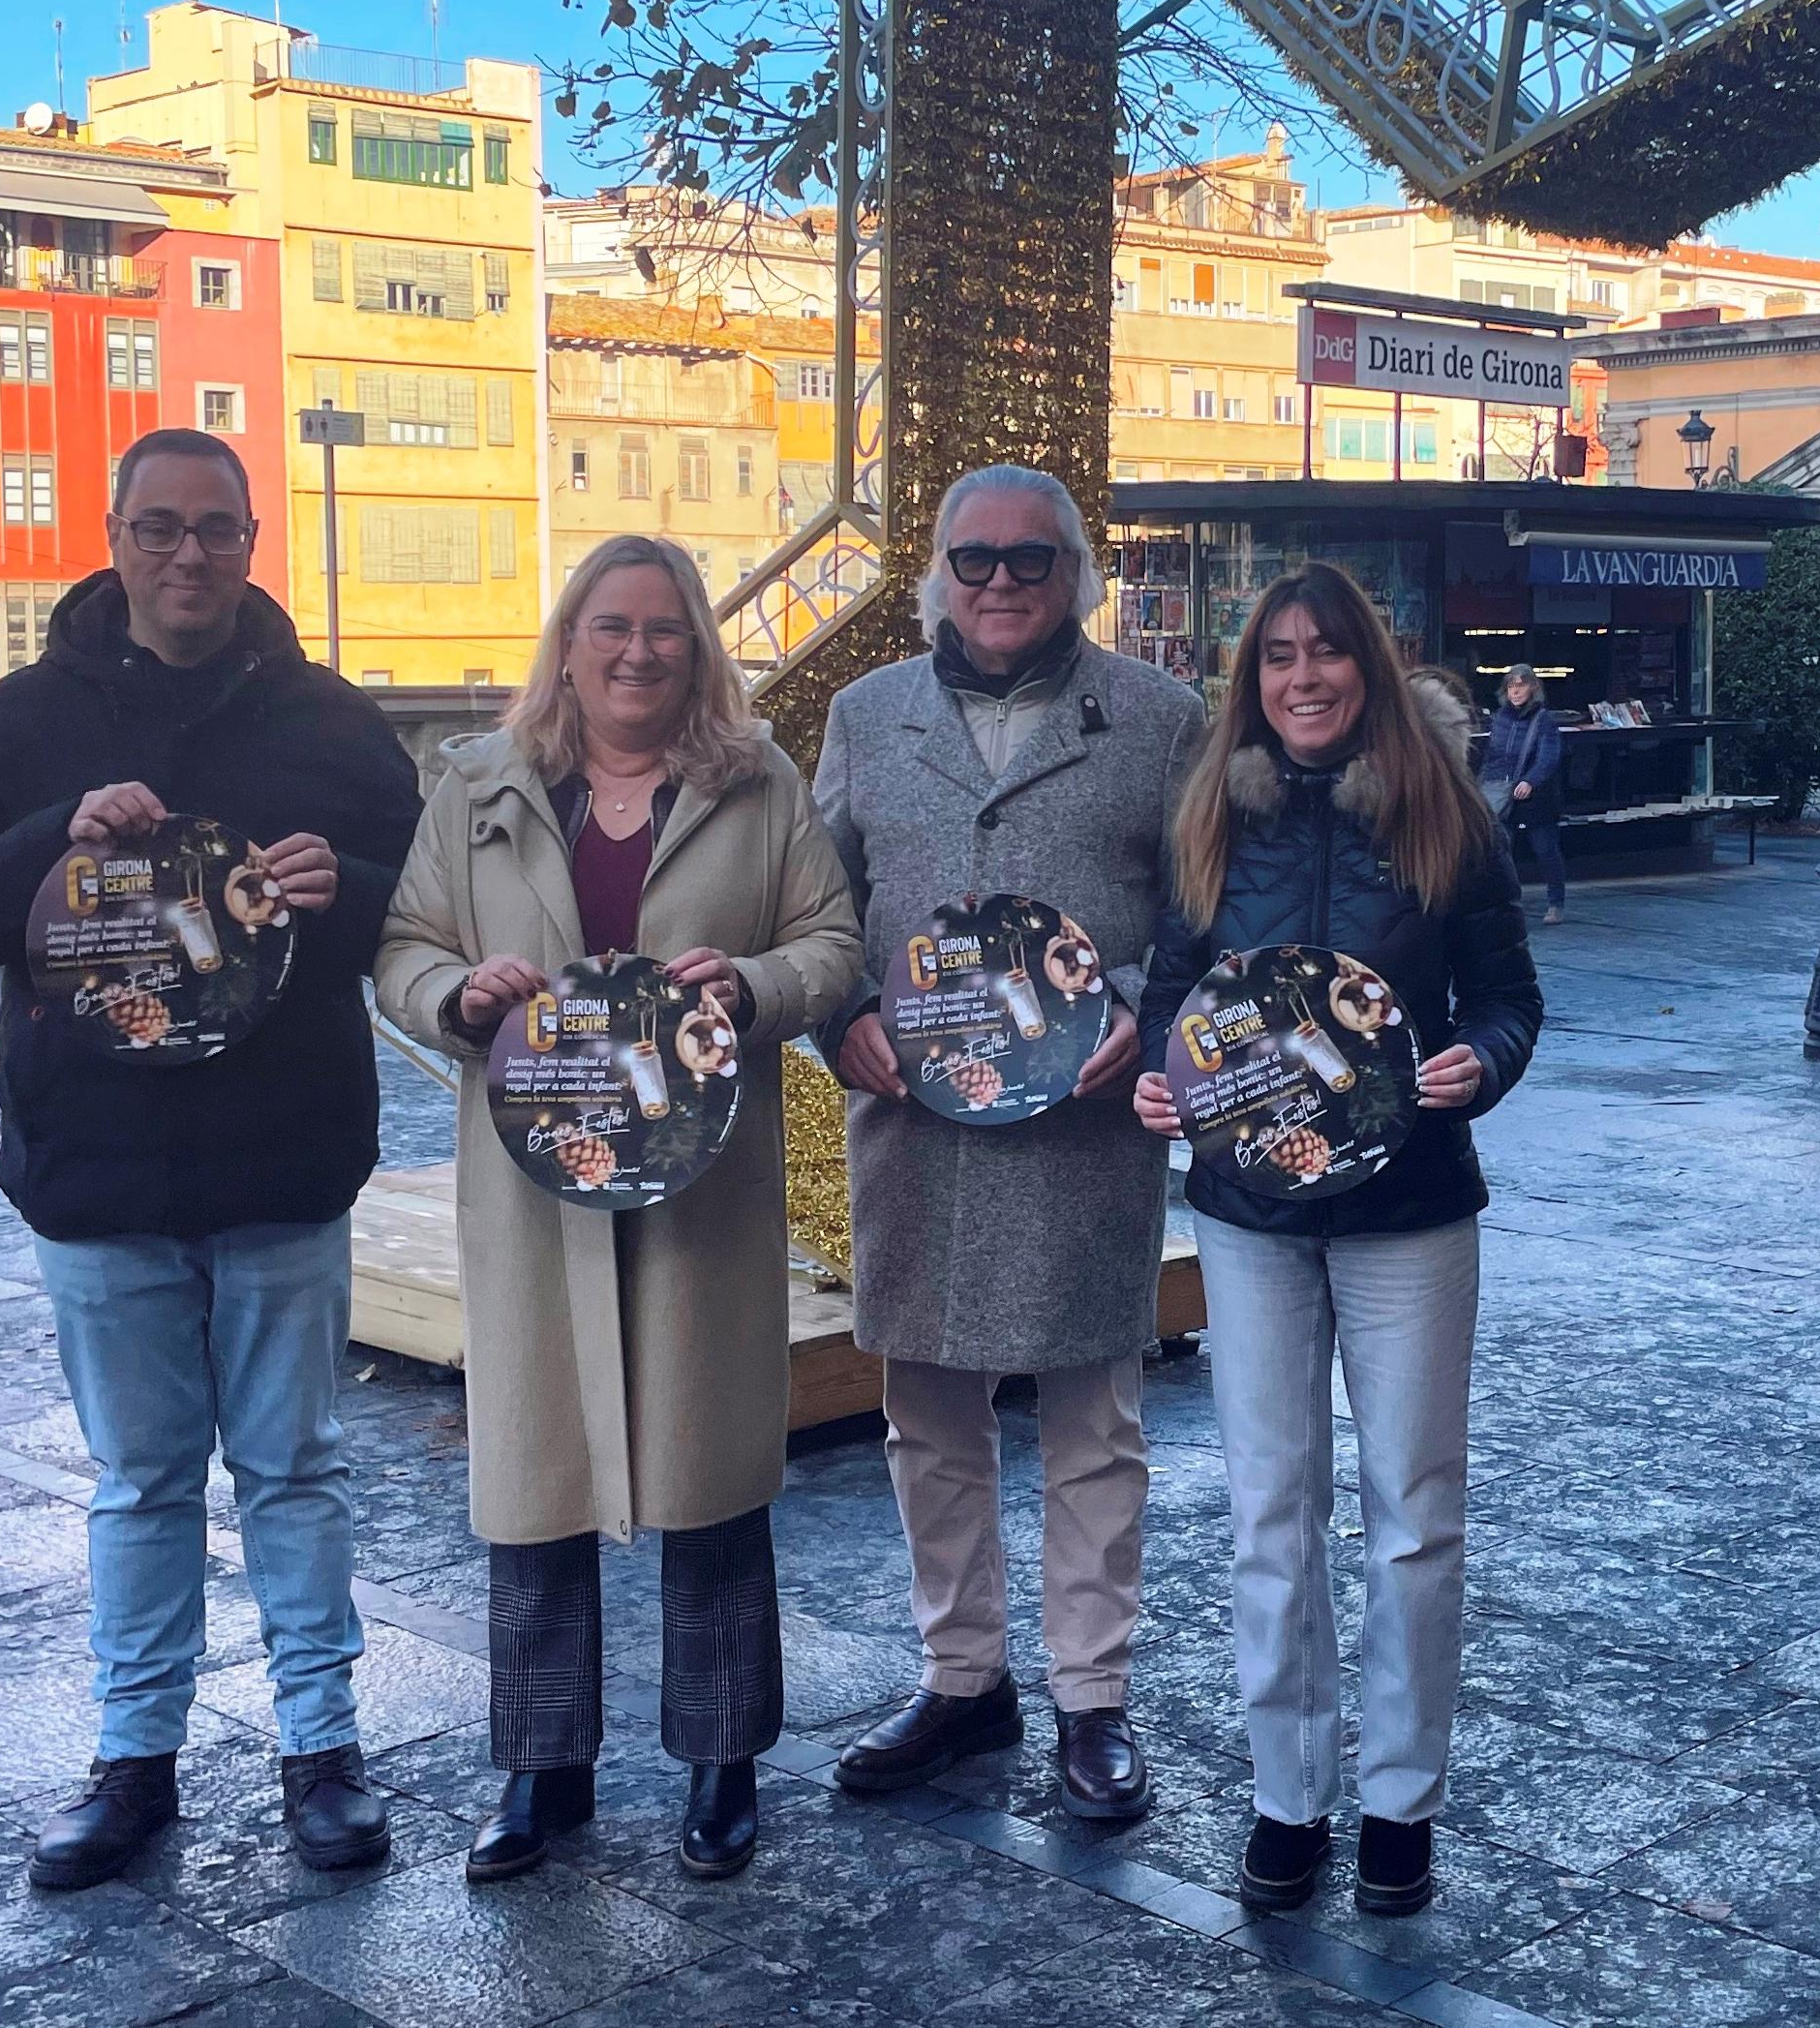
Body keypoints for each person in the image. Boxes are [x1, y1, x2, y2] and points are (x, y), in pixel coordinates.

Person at [0, 427, 425, 1892]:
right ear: (115, 538)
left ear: (251, 542)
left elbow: (444, 912)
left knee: (296, 1469)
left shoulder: (327, 720)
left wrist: (348, 888)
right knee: (139, 1481)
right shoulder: (27, 719)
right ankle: (135, 1762)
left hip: (283, 1157)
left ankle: (323, 1753)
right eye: (160, 527)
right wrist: (49, 844)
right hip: (98, 1166)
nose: (190, 554)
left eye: (217, 528)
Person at [374, 534, 862, 1887]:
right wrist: (457, 997)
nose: (638, 651)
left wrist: (753, 986)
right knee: (537, 1472)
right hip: (537, 1180)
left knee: (711, 1472)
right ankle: (544, 1768)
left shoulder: (757, 782)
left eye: (664, 628)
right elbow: (406, 948)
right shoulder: (479, 784)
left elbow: (833, 943)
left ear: (697, 647)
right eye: (612, 626)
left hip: (702, 1178)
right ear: (570, 642)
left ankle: (722, 1759)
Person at [1134, 561, 1542, 1921]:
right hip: (1250, 1214)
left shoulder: (1443, 815)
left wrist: (1480, 1063)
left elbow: (1508, 997)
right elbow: (1174, 999)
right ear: (1253, 681)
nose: (1302, 676)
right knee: (1272, 1508)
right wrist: (1162, 1079)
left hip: (1409, 1209)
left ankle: (1400, 1806)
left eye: (1326, 652)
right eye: (1278, 657)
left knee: (1415, 1514)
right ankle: (1288, 1795)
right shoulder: (1212, 819)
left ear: (1367, 665)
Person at [814, 466, 1203, 1823]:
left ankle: (1094, 1698)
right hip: (914, 1124)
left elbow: (1209, 918)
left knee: (1095, 1420)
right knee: (927, 1417)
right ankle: (963, 1679)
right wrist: (842, 1017)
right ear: (937, 571)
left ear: (1075, 575)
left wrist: (1146, 1012)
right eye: (972, 558)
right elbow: (818, 910)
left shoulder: (1161, 720)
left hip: (1085, 1124)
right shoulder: (864, 716)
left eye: (1029, 560)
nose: (998, 583)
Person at [1479, 662, 1565, 923]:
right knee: (1500, 852)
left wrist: (1530, 781)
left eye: (1521, 686)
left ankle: (1555, 903)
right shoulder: (1499, 718)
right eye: (1510, 686)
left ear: (1533, 688)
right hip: (1503, 795)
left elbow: (1549, 757)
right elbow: (1492, 757)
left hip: (1536, 797)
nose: (1515, 692)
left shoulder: (1544, 720)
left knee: (1545, 849)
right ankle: (1505, 902)